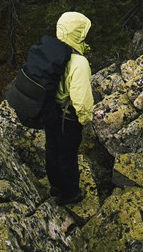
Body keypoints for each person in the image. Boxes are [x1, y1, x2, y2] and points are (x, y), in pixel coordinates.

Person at [45, 11, 94, 206]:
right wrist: (84, 119)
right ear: (78, 33)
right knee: (68, 154)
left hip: (50, 110)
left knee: (52, 149)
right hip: (68, 117)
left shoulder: (51, 52)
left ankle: (55, 187)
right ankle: (71, 194)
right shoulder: (79, 62)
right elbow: (81, 99)